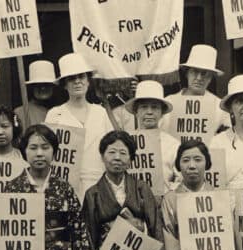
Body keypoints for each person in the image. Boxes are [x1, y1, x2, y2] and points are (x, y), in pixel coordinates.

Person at [45, 53, 114, 200]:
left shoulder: (100, 112)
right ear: (64, 84)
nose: (77, 82)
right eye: (71, 79)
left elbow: (111, 148)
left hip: (98, 182)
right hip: (66, 184)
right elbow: (48, 151)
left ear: (88, 81)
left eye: (81, 77)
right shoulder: (55, 114)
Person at [161, 44, 231, 141]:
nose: (199, 78)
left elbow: (232, 135)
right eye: (194, 72)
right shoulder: (169, 103)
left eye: (204, 74)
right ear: (187, 73)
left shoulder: (218, 106)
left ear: (210, 78)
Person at [123, 80, 180, 194]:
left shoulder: (173, 144)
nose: (149, 112)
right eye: (144, 107)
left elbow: (180, 178)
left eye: (154, 107)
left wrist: (168, 194)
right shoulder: (124, 141)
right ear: (136, 111)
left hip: (162, 205)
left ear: (162, 112)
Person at [14, 60, 57, 128]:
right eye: (38, 84)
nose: (43, 88)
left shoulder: (61, 112)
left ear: (53, 86)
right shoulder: (20, 112)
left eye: (46, 84)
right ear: (32, 87)